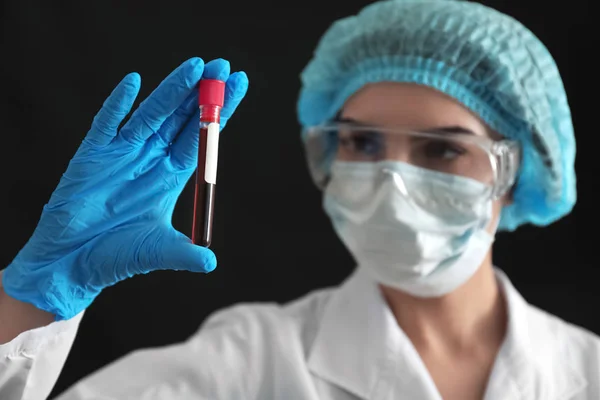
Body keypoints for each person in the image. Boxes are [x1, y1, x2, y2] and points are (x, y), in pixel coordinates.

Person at [0, 0, 597, 398]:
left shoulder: (587, 372)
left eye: (441, 151)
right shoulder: (247, 362)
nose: (390, 178)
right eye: (361, 141)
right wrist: (32, 303)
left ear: (516, 172)